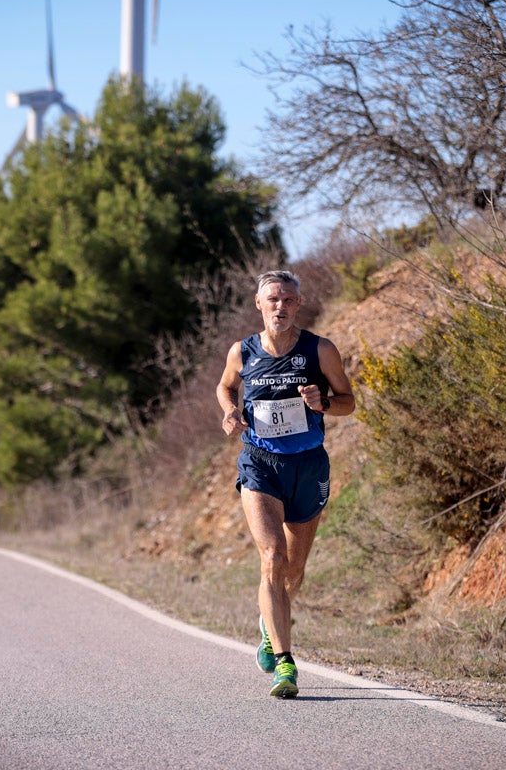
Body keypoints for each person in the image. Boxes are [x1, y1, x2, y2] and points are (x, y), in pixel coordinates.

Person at [216, 270, 355, 699]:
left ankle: (268, 623)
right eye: (273, 299)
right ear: (259, 304)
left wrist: (323, 402)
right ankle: (285, 663)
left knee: (293, 571)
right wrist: (229, 412)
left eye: (288, 299)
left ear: (299, 304)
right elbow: (225, 387)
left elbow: (348, 402)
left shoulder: (320, 349)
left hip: (308, 465)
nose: (281, 306)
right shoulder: (242, 351)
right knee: (273, 556)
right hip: (260, 464)